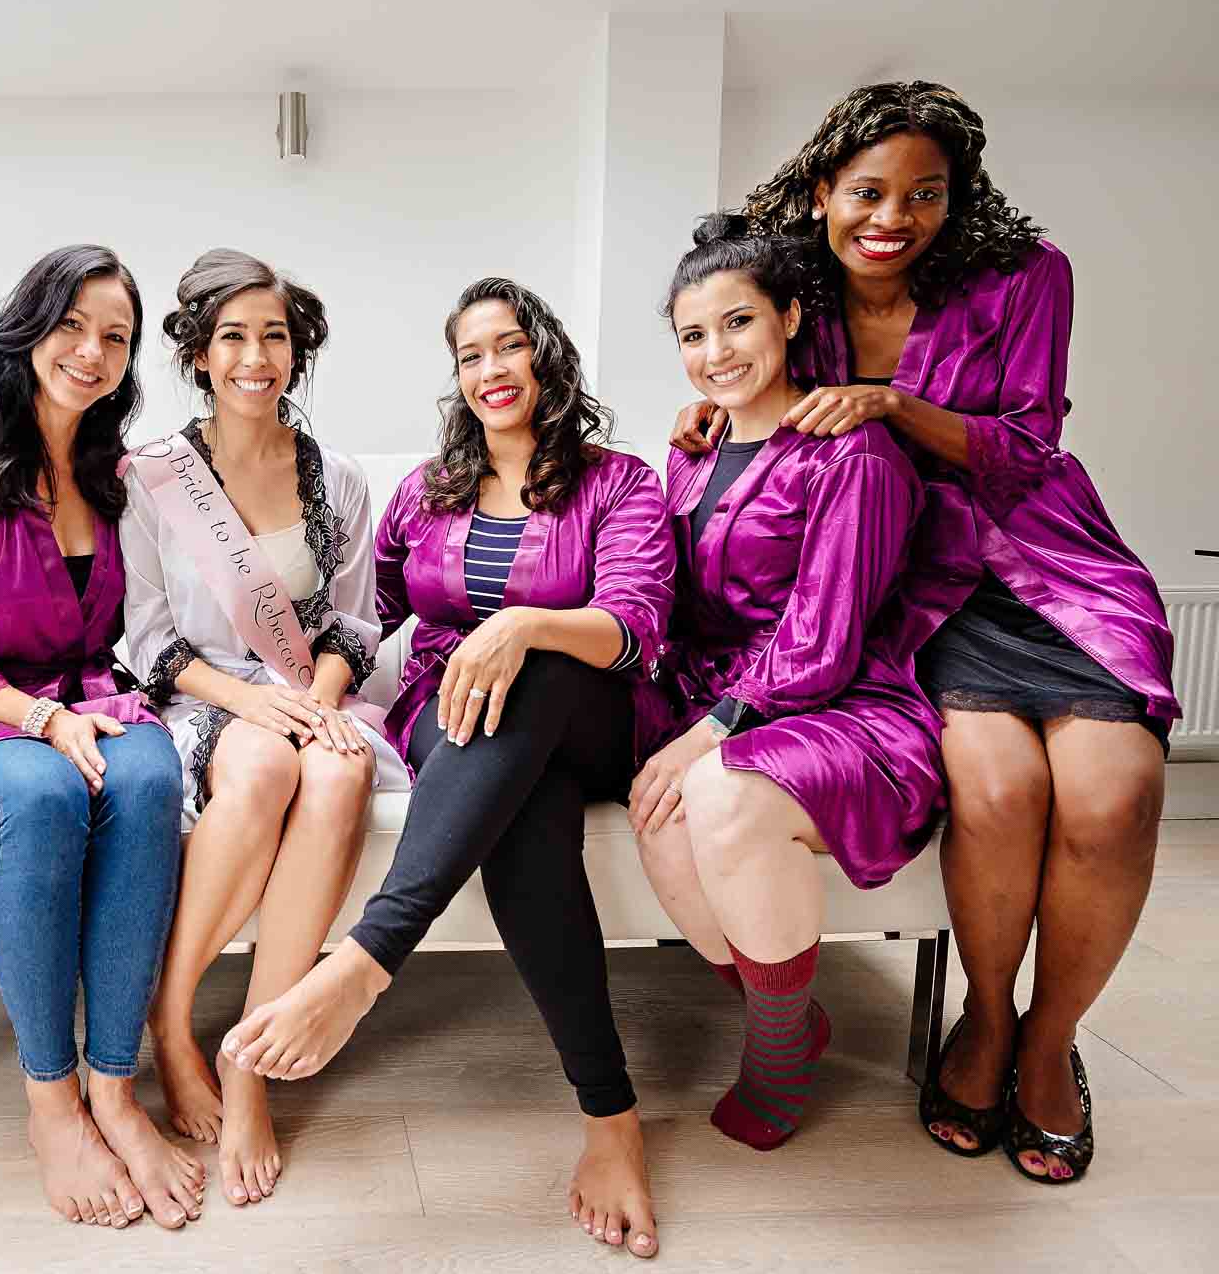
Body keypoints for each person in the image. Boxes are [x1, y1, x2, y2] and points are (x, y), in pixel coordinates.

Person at [669, 81, 1177, 1184]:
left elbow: (1030, 446)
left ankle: (1049, 1046)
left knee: (1117, 794)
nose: (891, 216)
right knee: (998, 794)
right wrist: (715, 420)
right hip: (913, 587)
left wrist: (893, 405)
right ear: (823, 191)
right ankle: (985, 1026)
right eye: (866, 191)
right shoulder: (794, 287)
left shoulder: (1026, 278)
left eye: (925, 194)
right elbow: (748, 378)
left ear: (958, 199)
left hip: (1049, 569)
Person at [224, 278, 674, 1257]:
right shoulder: (426, 492)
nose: (490, 370)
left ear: (544, 354)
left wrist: (518, 626)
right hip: (458, 726)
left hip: (591, 713)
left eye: (507, 346)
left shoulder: (620, 483)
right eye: (471, 355)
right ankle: (611, 1118)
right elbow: (375, 610)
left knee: (539, 666)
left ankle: (368, 957)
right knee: (528, 825)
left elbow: (634, 629)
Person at [0, 245, 205, 1229]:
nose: (92, 350)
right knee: (45, 795)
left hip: (94, 702)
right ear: (26, 330)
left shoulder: (122, 477)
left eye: (115, 335)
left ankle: (114, 1084)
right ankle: (49, 1097)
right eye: (72, 325)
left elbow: (155, 615)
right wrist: (42, 720)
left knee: (152, 781)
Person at [635, 214, 944, 1153]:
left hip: (842, 702)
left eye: (738, 323)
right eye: (694, 335)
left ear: (790, 317)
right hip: (714, 694)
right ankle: (790, 1020)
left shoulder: (855, 456)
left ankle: (775, 1062)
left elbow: (822, 642)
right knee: (656, 809)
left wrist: (704, 733)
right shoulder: (688, 455)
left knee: (716, 791)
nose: (717, 352)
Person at [120, 249, 407, 1207]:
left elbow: (355, 623)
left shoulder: (341, 480)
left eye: (274, 336)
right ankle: (169, 1017)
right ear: (198, 353)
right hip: (207, 693)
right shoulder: (151, 477)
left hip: (309, 688)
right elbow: (148, 637)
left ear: (298, 349)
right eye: (233, 336)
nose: (256, 356)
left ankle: (249, 1054)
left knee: (334, 771)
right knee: (266, 768)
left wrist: (318, 701)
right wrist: (257, 704)